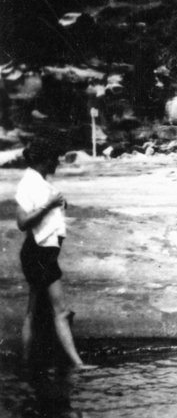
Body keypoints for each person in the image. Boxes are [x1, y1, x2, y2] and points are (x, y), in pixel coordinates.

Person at [16, 139, 88, 368]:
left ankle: (26, 364)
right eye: (54, 159)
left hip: (39, 253)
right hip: (40, 254)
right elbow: (22, 222)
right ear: (44, 160)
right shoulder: (29, 184)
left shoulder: (38, 182)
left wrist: (58, 204)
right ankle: (78, 365)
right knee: (61, 311)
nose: (57, 163)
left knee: (33, 311)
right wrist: (49, 205)